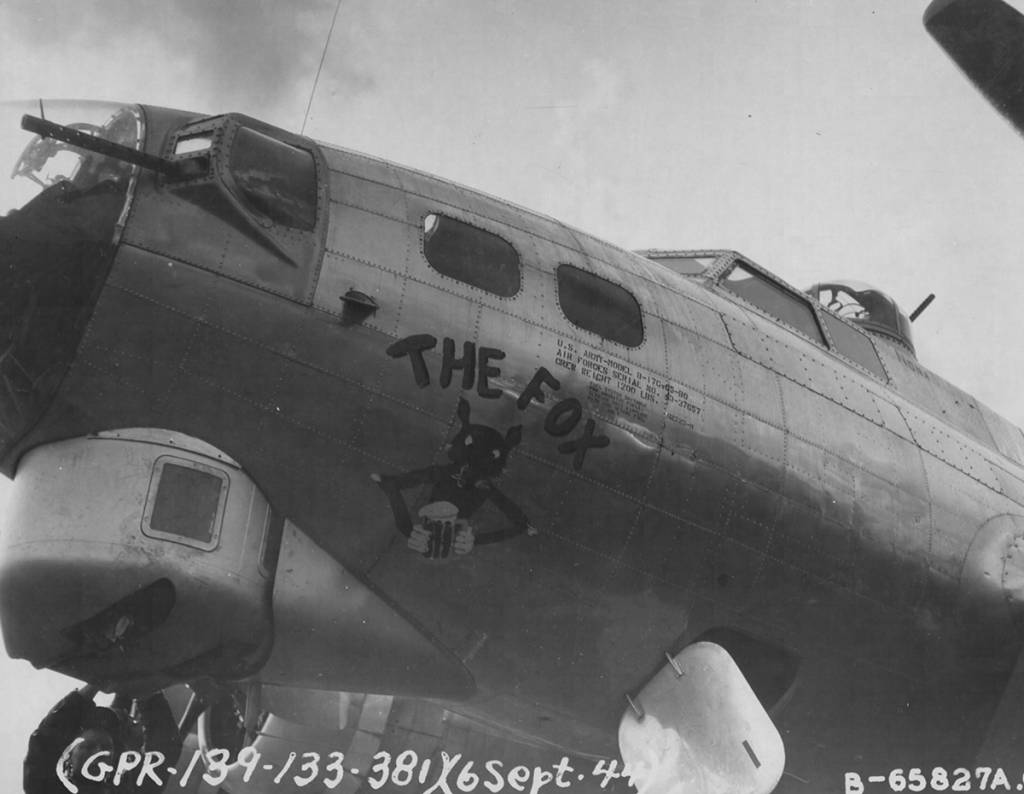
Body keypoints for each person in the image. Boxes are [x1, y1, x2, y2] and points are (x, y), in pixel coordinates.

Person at [24, 683, 182, 794]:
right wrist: (148, 691)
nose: (97, 755)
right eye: (91, 747)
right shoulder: (133, 788)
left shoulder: (40, 787)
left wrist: (95, 683)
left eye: (88, 747)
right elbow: (165, 750)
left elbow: (44, 744)